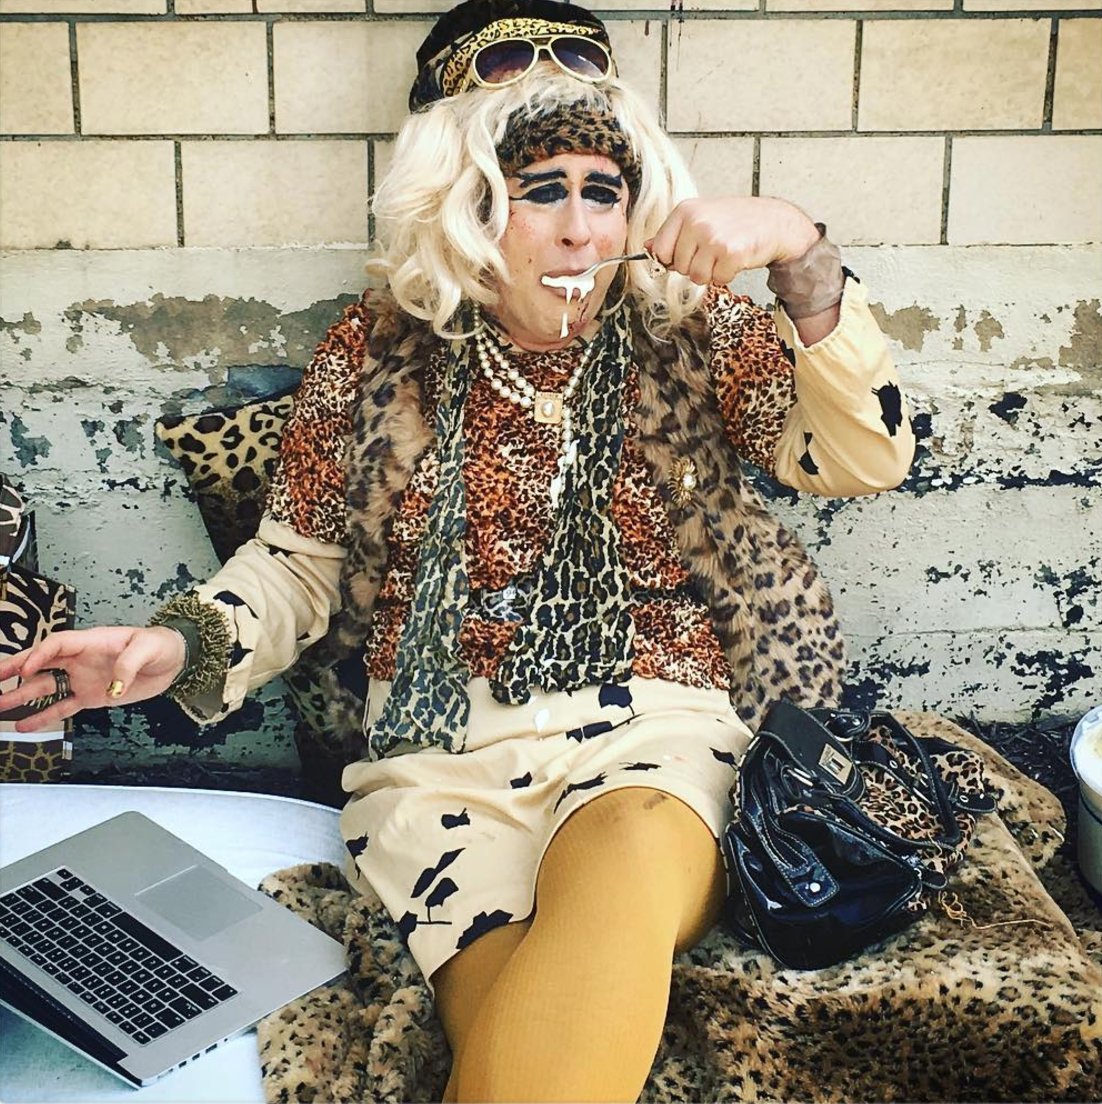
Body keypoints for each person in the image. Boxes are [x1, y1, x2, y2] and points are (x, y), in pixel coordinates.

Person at [0, 1, 915, 1098]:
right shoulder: (377, 347)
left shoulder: (692, 325)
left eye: (603, 191)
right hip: (438, 762)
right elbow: (299, 562)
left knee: (628, 854)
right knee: (524, 1043)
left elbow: (860, 458)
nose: (579, 232)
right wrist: (177, 645)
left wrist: (803, 259)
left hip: (656, 731)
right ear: (467, 207)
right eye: (539, 191)